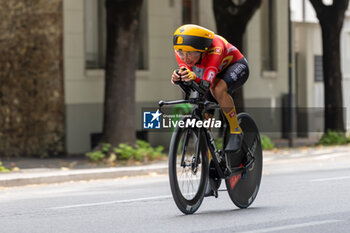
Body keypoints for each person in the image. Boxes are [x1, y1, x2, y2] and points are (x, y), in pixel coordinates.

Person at [171, 24, 250, 172]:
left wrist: (194, 77)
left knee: (217, 88)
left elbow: (207, 82)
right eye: (181, 53)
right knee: (205, 118)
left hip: (235, 66)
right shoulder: (182, 52)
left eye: (190, 54)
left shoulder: (216, 47)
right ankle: (209, 166)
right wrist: (179, 77)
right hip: (210, 74)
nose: (185, 58)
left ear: (203, 49)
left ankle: (235, 129)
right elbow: (188, 73)